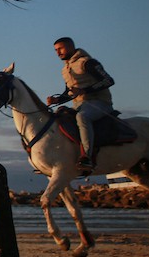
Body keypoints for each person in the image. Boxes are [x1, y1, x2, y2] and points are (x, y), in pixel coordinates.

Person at [46, 37, 116, 174]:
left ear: (71, 47)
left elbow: (108, 80)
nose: (58, 53)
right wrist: (57, 100)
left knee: (82, 117)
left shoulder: (88, 62)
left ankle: (87, 157)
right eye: (55, 50)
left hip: (100, 103)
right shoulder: (65, 69)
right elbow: (69, 93)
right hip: (79, 104)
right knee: (59, 119)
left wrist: (85, 90)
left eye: (60, 48)